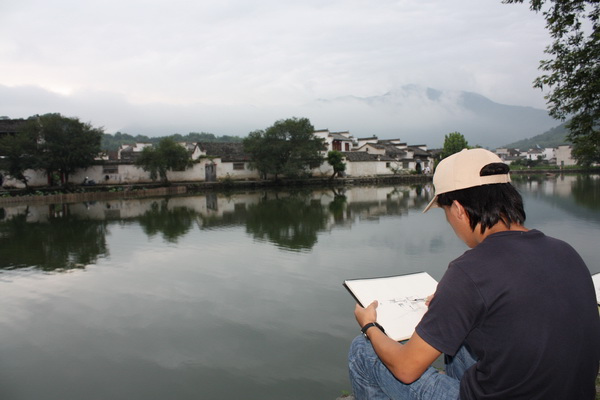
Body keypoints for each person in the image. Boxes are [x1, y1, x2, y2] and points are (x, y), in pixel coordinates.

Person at [348, 148, 600, 400]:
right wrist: (453, 305)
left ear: (458, 209)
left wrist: (370, 325)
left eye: (445, 212)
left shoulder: (470, 270)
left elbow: (405, 369)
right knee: (459, 341)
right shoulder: (564, 251)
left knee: (362, 350)